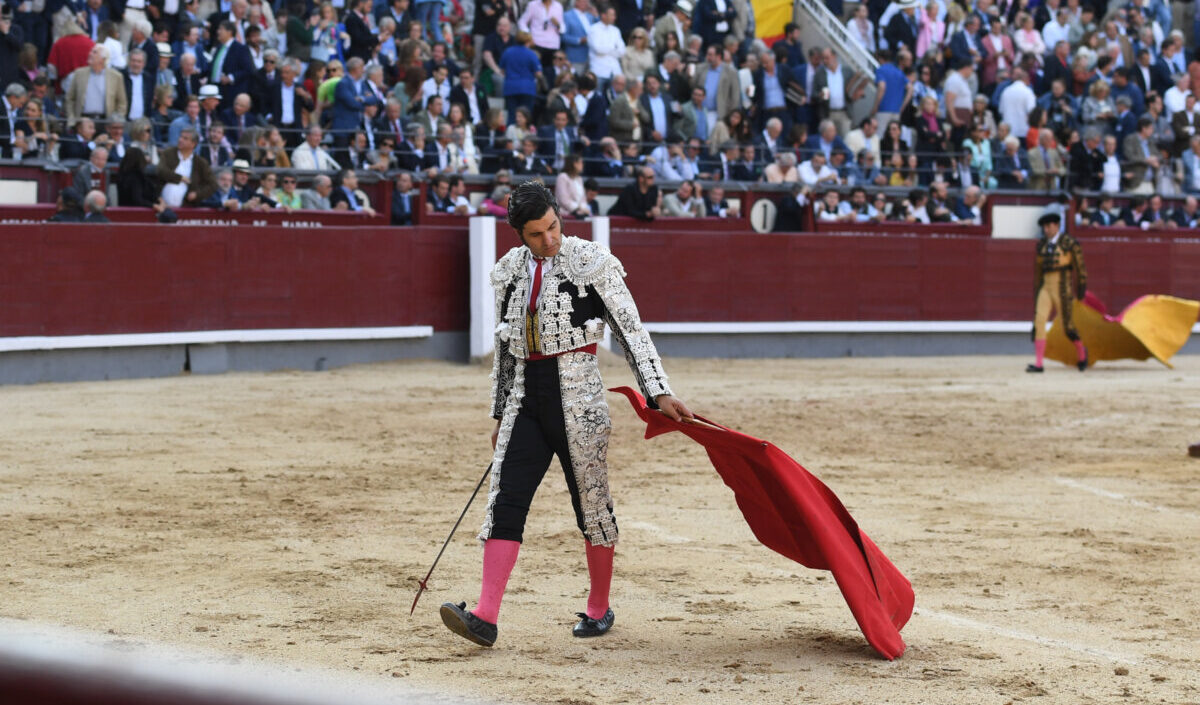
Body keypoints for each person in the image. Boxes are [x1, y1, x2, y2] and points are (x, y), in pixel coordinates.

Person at [439, 180, 693, 648]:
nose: (549, 239)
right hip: (525, 401)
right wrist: (500, 413)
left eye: (553, 226)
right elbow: (506, 349)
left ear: (560, 215)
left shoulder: (591, 261)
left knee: (591, 503)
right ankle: (485, 616)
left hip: (579, 398)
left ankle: (598, 609)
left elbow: (631, 330)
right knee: (504, 500)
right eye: (536, 234)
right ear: (519, 234)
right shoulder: (509, 272)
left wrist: (659, 392)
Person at [1028, 212, 1088, 374]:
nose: (1046, 230)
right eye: (1044, 227)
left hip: (1062, 288)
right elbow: (1038, 272)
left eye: (1048, 226)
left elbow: (1080, 268)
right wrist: (1036, 291)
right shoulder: (1041, 245)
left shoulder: (1070, 243)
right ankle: (1039, 363)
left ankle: (1082, 355)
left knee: (1067, 325)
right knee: (1039, 321)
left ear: (1056, 225)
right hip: (1045, 287)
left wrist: (1081, 290)